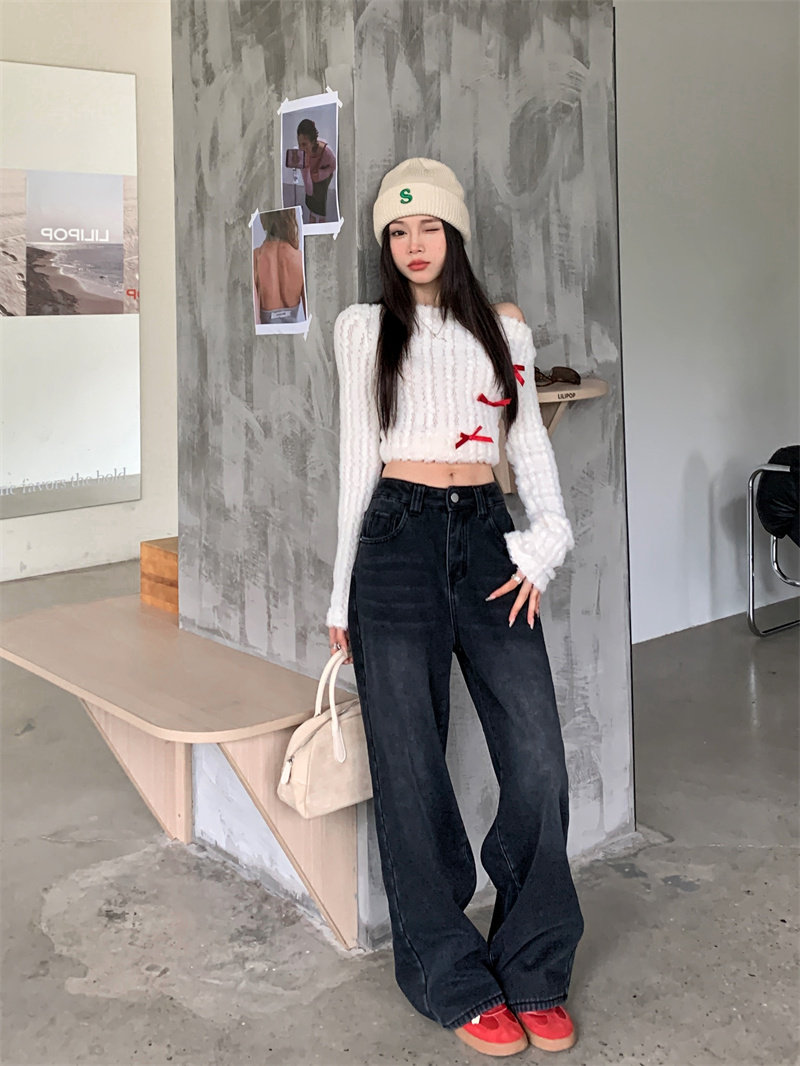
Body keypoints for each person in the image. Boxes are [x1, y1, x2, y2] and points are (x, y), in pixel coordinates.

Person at [325, 158, 584, 1057]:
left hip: (484, 536)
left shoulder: (501, 327)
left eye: (428, 227)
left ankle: (535, 963)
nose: (413, 245)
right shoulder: (364, 329)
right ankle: (449, 974)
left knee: (538, 760)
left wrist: (546, 542)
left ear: (455, 233)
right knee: (410, 769)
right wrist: (339, 596)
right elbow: (355, 463)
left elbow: (529, 448)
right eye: (397, 232)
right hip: (394, 542)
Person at [253, 209, 306, 325]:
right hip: (294, 336)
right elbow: (311, 316)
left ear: (263, 219)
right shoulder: (300, 258)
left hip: (265, 335)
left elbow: (253, 320)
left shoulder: (256, 258)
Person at [297, 118, 336, 223]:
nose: (301, 149)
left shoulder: (326, 152)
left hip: (324, 177)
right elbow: (308, 187)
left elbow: (333, 166)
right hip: (311, 179)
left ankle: (322, 222)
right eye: (299, 144)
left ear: (313, 142)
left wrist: (321, 174)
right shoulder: (302, 156)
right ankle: (312, 220)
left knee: (320, 202)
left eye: (304, 144)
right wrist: (306, 168)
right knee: (311, 200)